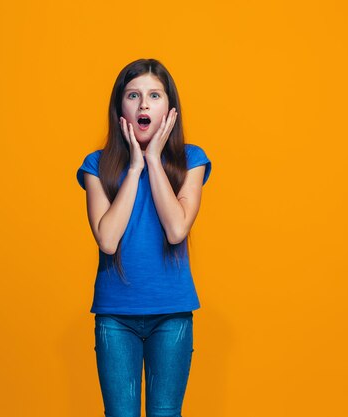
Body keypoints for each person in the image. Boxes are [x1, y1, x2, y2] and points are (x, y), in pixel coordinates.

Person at [76, 58, 212, 417]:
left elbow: (176, 228)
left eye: (154, 95)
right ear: (120, 106)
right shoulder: (96, 165)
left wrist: (153, 161)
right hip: (115, 316)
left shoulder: (191, 160)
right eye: (133, 95)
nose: (144, 104)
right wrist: (134, 166)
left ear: (169, 108)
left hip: (172, 314)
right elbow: (107, 239)